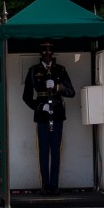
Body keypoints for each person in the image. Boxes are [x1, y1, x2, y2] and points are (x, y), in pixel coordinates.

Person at [22, 43, 74, 193]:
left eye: (50, 51)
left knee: (56, 151)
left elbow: (71, 92)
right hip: (42, 114)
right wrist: (39, 107)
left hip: (57, 113)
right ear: (40, 54)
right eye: (45, 51)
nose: (48, 54)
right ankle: (45, 186)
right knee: (43, 151)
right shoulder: (33, 71)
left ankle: (54, 185)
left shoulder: (60, 70)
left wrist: (58, 87)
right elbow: (26, 97)